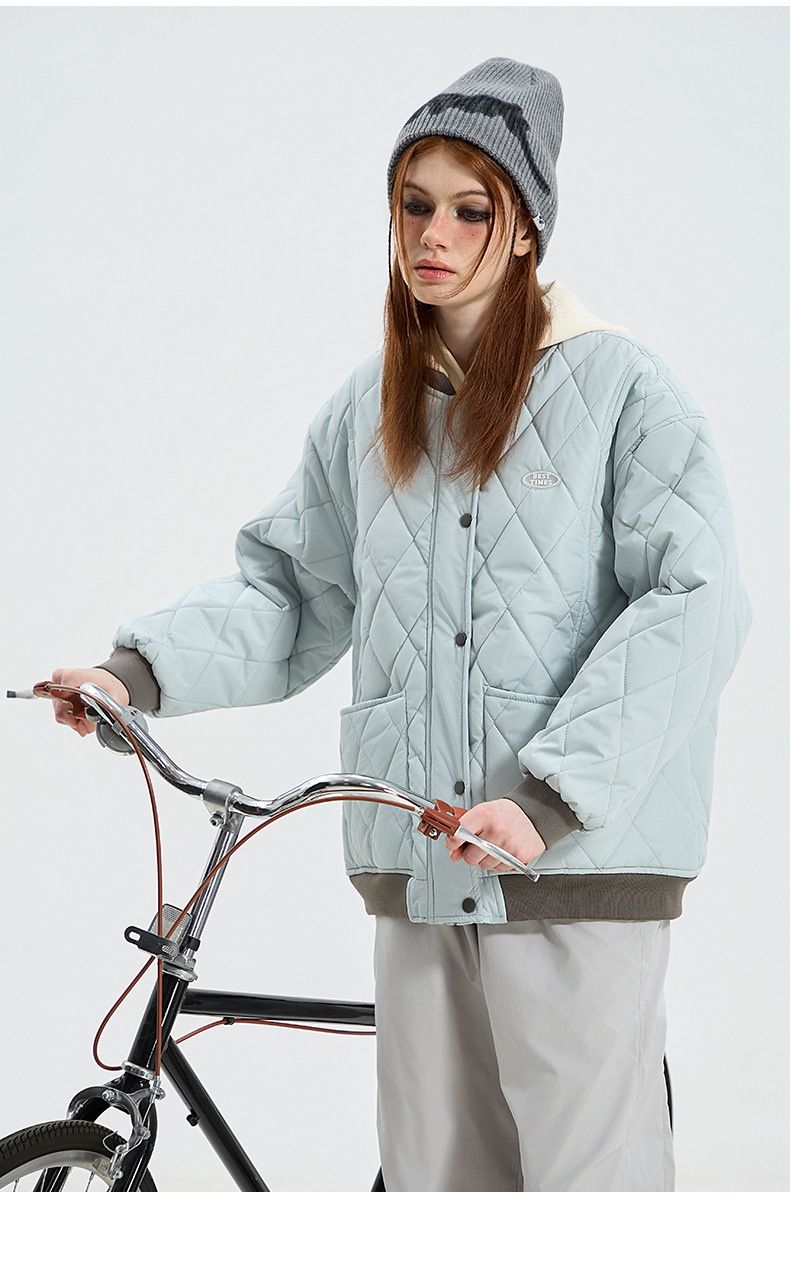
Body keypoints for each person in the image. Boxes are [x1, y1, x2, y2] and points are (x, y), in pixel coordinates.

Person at [48, 58, 751, 1191]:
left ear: (525, 230)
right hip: (422, 868)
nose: (434, 233)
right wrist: (137, 672)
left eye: (472, 209)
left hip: (574, 870)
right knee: (435, 1195)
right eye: (415, 204)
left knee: (591, 1197)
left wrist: (548, 797)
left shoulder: (624, 391)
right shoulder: (369, 409)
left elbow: (695, 603)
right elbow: (290, 592)